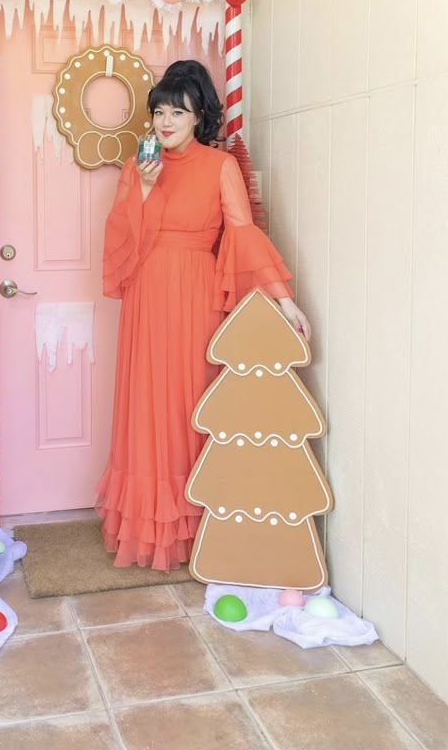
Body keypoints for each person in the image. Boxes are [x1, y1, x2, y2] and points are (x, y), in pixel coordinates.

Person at [95, 59, 310, 572]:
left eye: (177, 111)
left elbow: (242, 234)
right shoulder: (137, 167)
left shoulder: (220, 166)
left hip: (197, 297)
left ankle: (203, 528)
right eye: (158, 112)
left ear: (199, 117)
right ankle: (154, 532)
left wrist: (283, 298)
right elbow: (123, 242)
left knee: (192, 403)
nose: (164, 122)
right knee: (148, 403)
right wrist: (144, 190)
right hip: (148, 298)